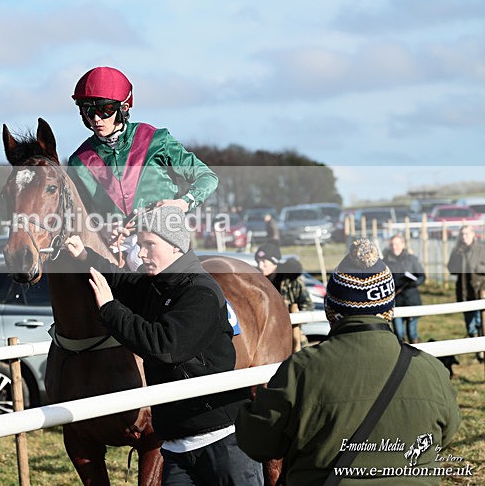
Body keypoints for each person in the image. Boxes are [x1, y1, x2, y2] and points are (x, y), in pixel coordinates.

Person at [64, 205, 263, 485]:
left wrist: (109, 309)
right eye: (139, 245)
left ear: (175, 245)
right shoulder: (158, 285)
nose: (141, 253)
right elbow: (122, 281)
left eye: (149, 245)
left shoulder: (201, 292)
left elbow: (164, 346)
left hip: (222, 443)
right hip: (175, 448)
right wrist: (85, 256)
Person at [236, 239, 461, 485]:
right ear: (388, 311)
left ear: (331, 311)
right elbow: (446, 434)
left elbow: (258, 443)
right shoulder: (432, 370)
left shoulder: (300, 370)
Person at [67, 66, 218, 268]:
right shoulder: (78, 161)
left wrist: (184, 203)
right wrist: (102, 227)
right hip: (112, 245)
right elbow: (79, 215)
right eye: (89, 111)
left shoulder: (157, 140)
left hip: (162, 238)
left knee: (137, 258)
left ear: (124, 108)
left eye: (105, 110)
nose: (96, 118)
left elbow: (208, 177)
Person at [254, 242, 313, 352]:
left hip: (292, 337)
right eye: (258, 261)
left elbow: (308, 305)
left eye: (264, 261)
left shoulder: (291, 281)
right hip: (265, 339)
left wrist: (294, 319)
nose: (260, 266)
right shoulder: (255, 282)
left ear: (274, 262)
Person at [447, 225, 485, 358]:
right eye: (462, 234)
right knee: (470, 325)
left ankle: (481, 350)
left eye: (467, 234)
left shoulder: (481, 249)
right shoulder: (457, 251)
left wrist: (476, 268)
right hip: (464, 291)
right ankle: (476, 347)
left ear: (473, 234)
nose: (464, 237)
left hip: (480, 289)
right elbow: (451, 268)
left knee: (480, 321)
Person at [383, 233, 426, 344]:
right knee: (399, 334)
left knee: (412, 333)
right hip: (395, 301)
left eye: (397, 244)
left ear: (403, 244)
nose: (394, 247)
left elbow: (422, 276)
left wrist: (414, 282)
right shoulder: (385, 262)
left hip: (411, 299)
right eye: (392, 244)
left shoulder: (412, 259)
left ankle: (416, 352)